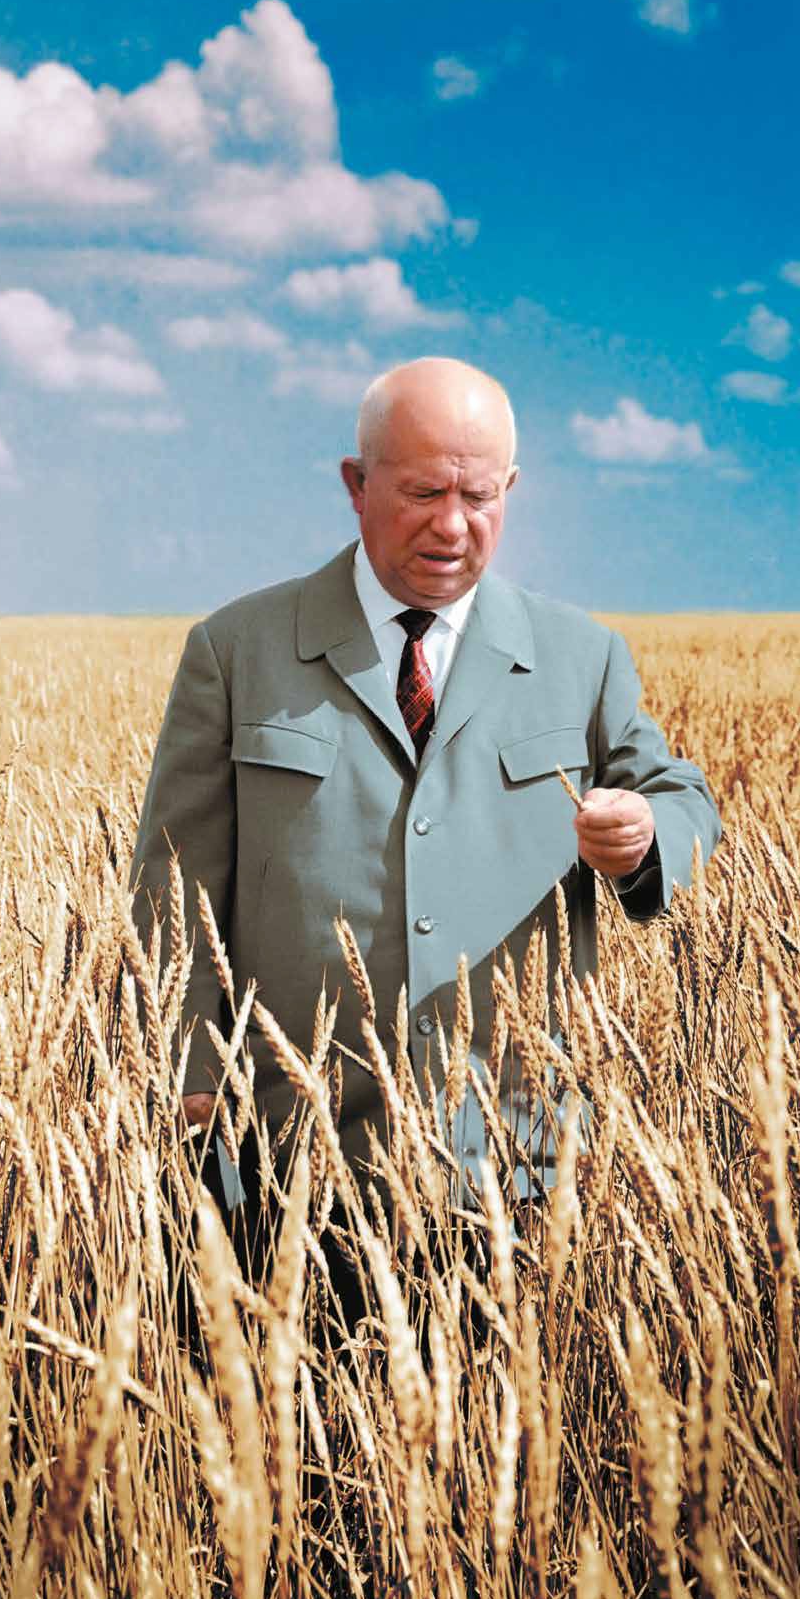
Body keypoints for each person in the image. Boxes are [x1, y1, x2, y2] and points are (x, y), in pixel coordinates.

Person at [131, 357, 721, 1293]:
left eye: (479, 496)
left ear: (510, 489)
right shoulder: (237, 650)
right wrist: (193, 1067)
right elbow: (174, 880)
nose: (453, 525)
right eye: (422, 493)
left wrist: (647, 831)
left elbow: (682, 797)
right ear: (356, 484)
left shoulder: (582, 656)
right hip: (283, 1148)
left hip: (511, 1155)